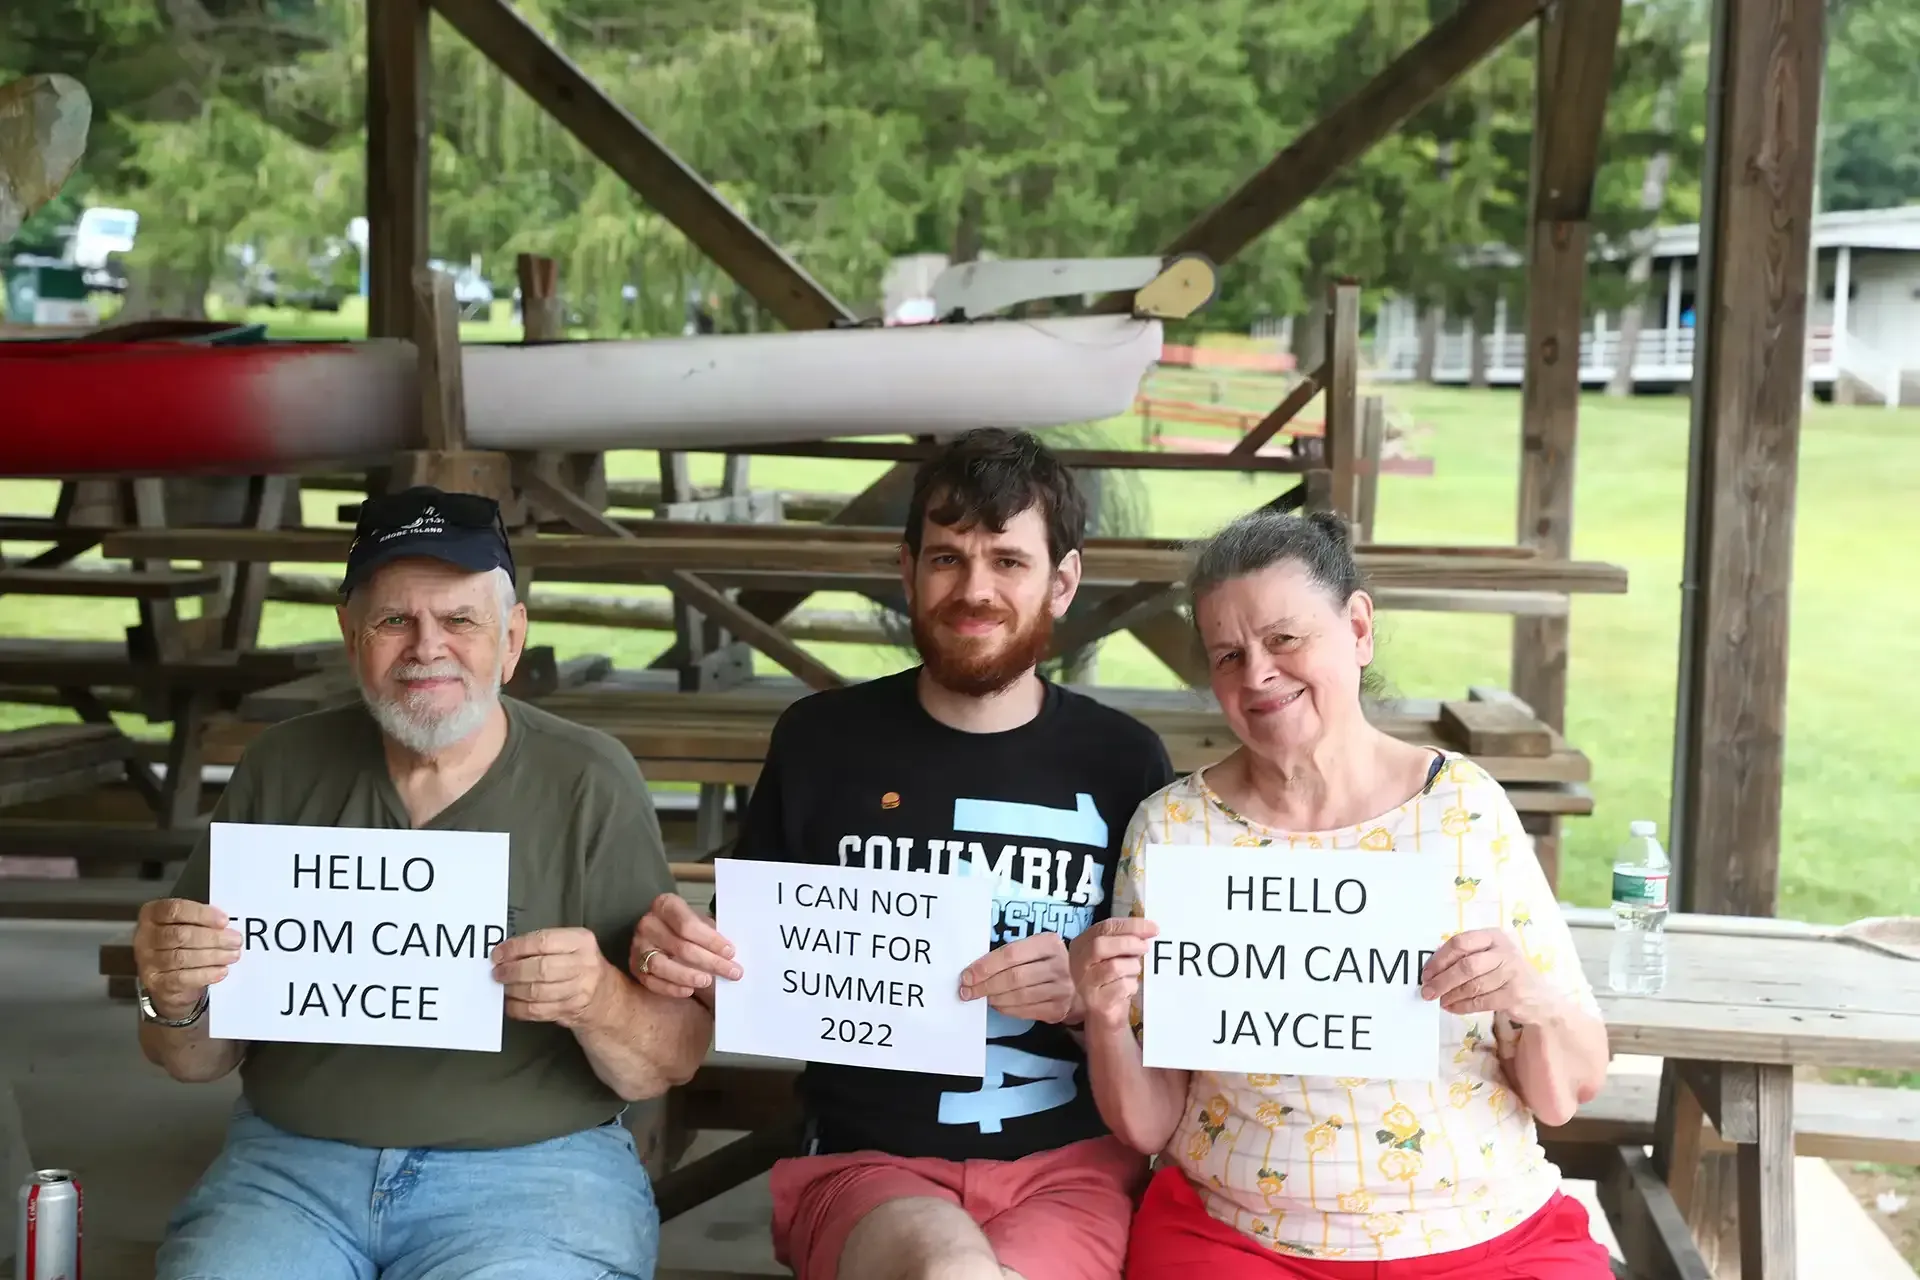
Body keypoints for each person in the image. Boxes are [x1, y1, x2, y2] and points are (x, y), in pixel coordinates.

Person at [631, 428, 1176, 1280]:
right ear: (907, 570)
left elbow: (1166, 1014)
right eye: (948, 559)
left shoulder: (1126, 762)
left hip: (1069, 1169)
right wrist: (691, 961)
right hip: (867, 1163)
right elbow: (752, 966)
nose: (975, 590)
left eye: (1008, 561)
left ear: (1062, 582)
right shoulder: (820, 742)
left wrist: (1084, 1000)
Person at [132, 486, 711, 1280]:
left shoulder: (588, 781)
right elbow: (194, 1057)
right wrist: (173, 993)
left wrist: (599, 999)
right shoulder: (282, 769)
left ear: (511, 641)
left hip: (532, 1177)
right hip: (293, 1171)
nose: (425, 648)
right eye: (394, 619)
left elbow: (669, 1061)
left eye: (461, 621)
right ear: (350, 636)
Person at [1068, 509, 1613, 1279]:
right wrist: (1104, 1014)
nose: (1256, 674)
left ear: (1357, 628)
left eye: (1284, 639)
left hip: (1481, 1229)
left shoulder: (1462, 808)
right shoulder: (1174, 830)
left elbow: (1565, 1094)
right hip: (1239, 1235)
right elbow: (1151, 1124)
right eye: (1227, 654)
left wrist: (1529, 996)